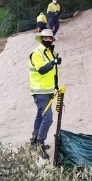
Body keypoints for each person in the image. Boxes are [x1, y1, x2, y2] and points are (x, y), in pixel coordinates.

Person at [29, 28, 62, 159]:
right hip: (39, 90)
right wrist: (53, 62)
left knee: (40, 116)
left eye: (50, 38)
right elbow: (42, 70)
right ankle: (39, 143)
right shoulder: (36, 53)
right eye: (46, 38)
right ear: (42, 39)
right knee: (48, 118)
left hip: (48, 89)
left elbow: (54, 72)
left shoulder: (51, 52)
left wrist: (55, 86)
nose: (48, 40)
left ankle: (34, 139)